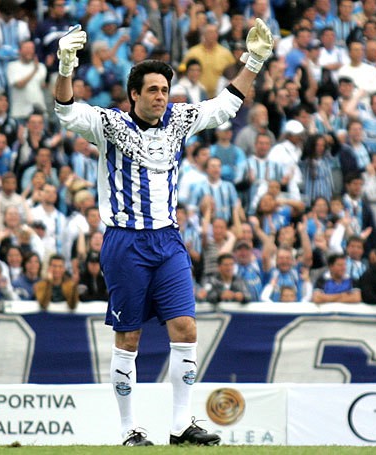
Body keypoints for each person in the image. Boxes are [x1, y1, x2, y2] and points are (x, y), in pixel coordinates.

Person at [54, 19, 273, 446]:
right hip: (124, 242)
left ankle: (180, 424)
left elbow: (226, 105)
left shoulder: (179, 120)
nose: (160, 97)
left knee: (186, 328)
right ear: (134, 94)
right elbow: (65, 110)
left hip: (168, 240)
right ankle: (128, 428)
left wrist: (255, 60)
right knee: (129, 337)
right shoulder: (110, 125)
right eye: (152, 90)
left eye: (164, 90)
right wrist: (66, 66)